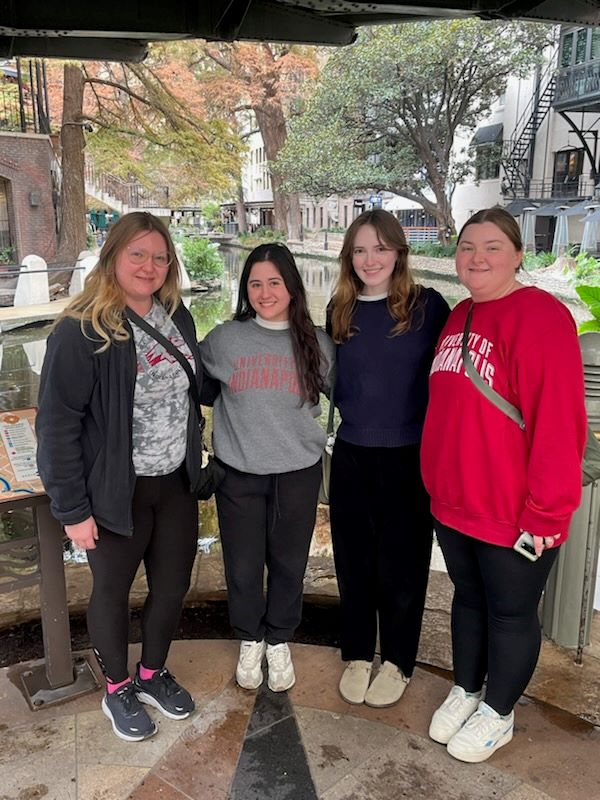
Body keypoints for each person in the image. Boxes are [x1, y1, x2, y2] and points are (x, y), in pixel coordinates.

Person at [421, 207, 587, 763]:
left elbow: (559, 422)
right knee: (468, 600)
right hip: (454, 501)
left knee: (512, 612)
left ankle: (499, 711)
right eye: (467, 247)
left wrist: (547, 512)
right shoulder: (460, 315)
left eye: (492, 247)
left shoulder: (541, 316)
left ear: (518, 253)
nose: (477, 258)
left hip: (513, 508)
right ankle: (467, 689)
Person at [36, 212, 203, 742]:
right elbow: (57, 427)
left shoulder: (177, 315)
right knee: (111, 590)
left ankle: (153, 673)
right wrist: (73, 510)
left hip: (174, 483)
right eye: (137, 254)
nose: (149, 266)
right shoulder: (81, 330)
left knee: (173, 585)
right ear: (112, 256)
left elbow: (193, 391)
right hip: (115, 491)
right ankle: (117, 688)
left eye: (160, 256)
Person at [328, 209, 450, 708]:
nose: (370, 259)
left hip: (409, 455)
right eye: (360, 249)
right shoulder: (341, 309)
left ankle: (399, 660)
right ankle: (357, 652)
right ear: (348, 257)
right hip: (353, 453)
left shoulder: (428, 308)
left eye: (380, 248)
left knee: (403, 563)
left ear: (399, 252)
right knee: (354, 560)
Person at [200, 243, 334, 693]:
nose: (264, 292)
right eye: (255, 283)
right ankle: (250, 638)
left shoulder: (317, 342)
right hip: (238, 473)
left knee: (289, 564)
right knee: (241, 566)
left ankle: (279, 639)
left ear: (292, 287)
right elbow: (189, 384)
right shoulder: (225, 340)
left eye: (274, 282)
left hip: (297, 470)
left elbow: (355, 394)